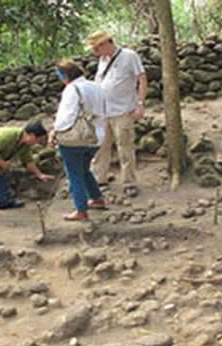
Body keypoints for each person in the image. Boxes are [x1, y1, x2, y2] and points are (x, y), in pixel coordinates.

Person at [87, 30, 147, 194]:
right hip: (102, 112)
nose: (95, 52)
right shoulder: (102, 61)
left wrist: (140, 104)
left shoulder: (129, 56)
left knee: (125, 147)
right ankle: (99, 179)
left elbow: (142, 79)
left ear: (106, 43)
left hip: (122, 111)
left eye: (96, 48)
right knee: (101, 147)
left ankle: (129, 183)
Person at [49, 60, 107, 222]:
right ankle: (96, 198)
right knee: (84, 169)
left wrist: (54, 132)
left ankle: (81, 210)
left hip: (76, 139)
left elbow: (66, 117)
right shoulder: (97, 87)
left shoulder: (72, 89)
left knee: (74, 174)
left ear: (65, 76)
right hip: (96, 136)